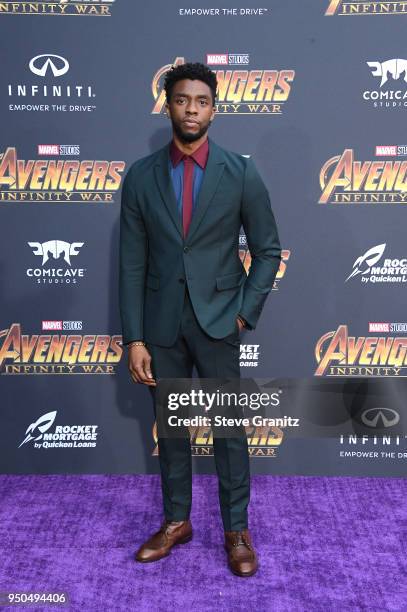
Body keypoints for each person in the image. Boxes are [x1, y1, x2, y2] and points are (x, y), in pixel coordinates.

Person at [119, 62, 281, 577]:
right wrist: (135, 338)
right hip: (160, 326)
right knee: (171, 429)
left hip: (219, 322)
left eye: (202, 101)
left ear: (215, 107)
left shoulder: (241, 172)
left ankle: (236, 529)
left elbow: (269, 251)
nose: (192, 109)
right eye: (182, 99)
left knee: (229, 430)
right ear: (167, 104)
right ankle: (176, 522)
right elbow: (131, 262)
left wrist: (242, 314)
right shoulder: (141, 175)